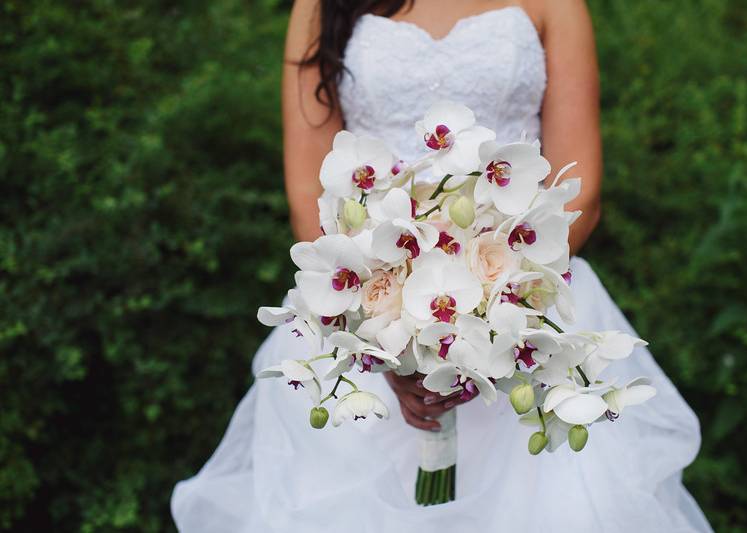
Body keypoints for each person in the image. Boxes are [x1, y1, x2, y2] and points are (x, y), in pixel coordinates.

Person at [172, 1, 713, 531]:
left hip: (528, 312)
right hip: (366, 310)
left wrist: (497, 310)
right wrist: (391, 347)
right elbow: (308, 196)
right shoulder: (320, 6)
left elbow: (581, 191)